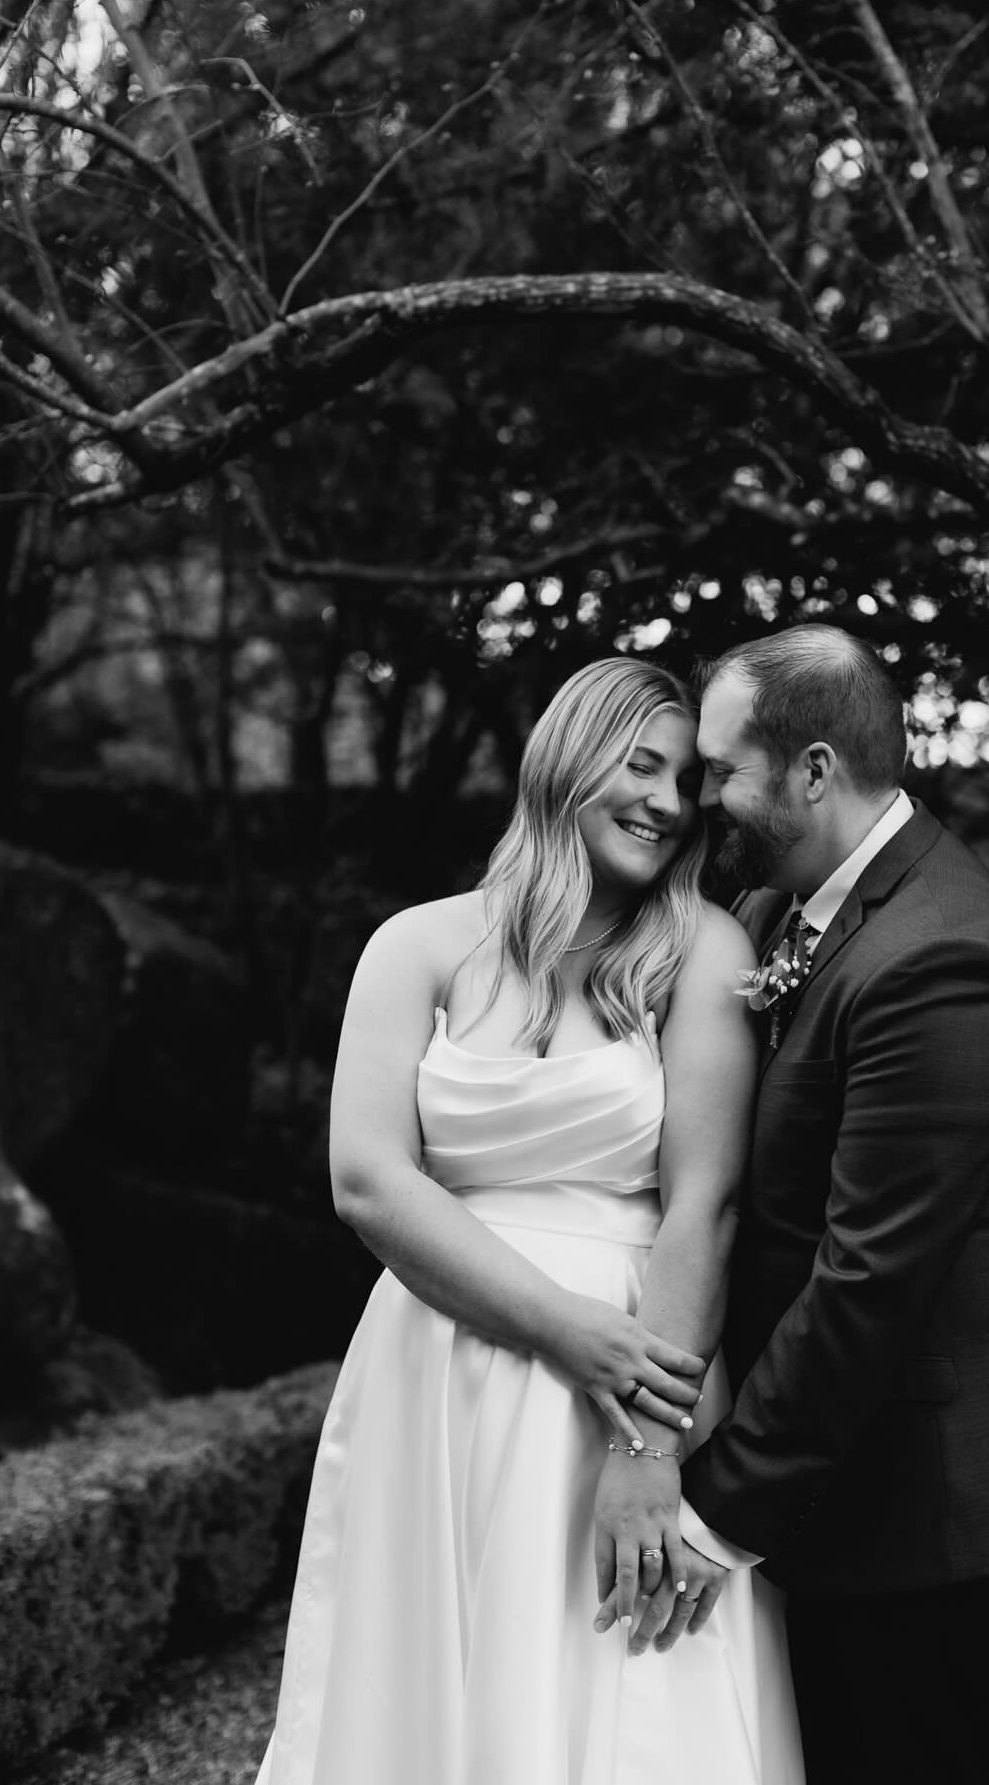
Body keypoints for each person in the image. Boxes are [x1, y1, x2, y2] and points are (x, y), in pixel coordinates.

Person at [254, 657, 803, 1785]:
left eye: (685, 780)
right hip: (438, 1372)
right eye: (638, 764)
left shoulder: (702, 951)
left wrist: (648, 1442)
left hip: (640, 1368)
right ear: (563, 760)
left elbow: (707, 1200)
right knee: (425, 1695)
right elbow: (366, 1179)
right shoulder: (418, 945)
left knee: (635, 1680)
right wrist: (560, 1327)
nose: (664, 800)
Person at [623, 626, 989, 1783]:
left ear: (815, 770)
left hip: (923, 1509)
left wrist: (714, 1510)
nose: (701, 801)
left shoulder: (943, 955)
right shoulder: (801, 913)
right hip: (847, 1491)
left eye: (722, 771)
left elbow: (871, 1276)